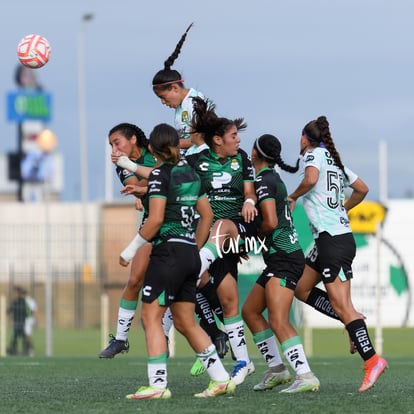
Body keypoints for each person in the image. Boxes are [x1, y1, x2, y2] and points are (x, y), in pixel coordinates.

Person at [119, 123, 235, 399]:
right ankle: (220, 378)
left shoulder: (160, 175)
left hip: (167, 254)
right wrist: (193, 246)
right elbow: (206, 215)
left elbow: (155, 219)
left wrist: (130, 250)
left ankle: (158, 385)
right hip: (189, 256)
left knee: (150, 317)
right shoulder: (191, 174)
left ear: (152, 149)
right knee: (185, 322)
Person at [288, 115, 388, 392]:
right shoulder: (335, 159)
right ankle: (353, 319)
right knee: (302, 288)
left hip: (335, 242)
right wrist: (343, 208)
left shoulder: (313, 155)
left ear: (305, 138)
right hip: (328, 240)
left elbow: (310, 179)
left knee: (343, 305)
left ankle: (373, 360)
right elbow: (363, 189)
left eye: (301, 137)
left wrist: (294, 196)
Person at [186, 96, 258, 385]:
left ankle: (195, 265)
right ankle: (244, 361)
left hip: (240, 227)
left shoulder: (241, 159)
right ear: (217, 140)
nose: (238, 140)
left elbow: (250, 190)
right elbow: (165, 179)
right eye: (233, 136)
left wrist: (250, 200)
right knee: (229, 303)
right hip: (216, 243)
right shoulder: (194, 161)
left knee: (223, 223)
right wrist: (141, 188)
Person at [242, 134, 320, 393]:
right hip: (278, 259)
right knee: (251, 311)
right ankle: (277, 369)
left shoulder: (264, 180)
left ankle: (306, 375)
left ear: (255, 153)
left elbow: (271, 222)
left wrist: (251, 239)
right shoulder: (269, 178)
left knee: (278, 320)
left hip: (285, 258)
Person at [99, 123, 159, 358]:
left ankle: (214, 334)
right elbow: (136, 187)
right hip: (153, 220)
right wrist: (141, 191)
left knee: (196, 282)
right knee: (135, 279)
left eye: (117, 142)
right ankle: (121, 339)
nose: (114, 149)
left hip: (178, 221)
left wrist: (144, 188)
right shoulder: (122, 167)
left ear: (133, 139)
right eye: (111, 145)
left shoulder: (156, 150)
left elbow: (167, 178)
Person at [152, 23, 205, 155]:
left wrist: (168, 144)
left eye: (163, 97)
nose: (163, 102)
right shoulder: (179, 108)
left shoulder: (196, 102)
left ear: (175, 88)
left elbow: (202, 139)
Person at [7, 286, 30, 355]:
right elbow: (28, 313)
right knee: (20, 336)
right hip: (22, 322)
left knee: (16, 336)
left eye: (15, 292)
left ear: (18, 293)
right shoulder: (24, 302)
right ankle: (25, 349)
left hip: (17, 322)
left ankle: (13, 349)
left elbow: (8, 311)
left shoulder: (16, 302)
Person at [23, 288, 37, 356]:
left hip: (27, 320)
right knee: (27, 335)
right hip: (30, 319)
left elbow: (34, 311)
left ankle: (30, 349)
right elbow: (35, 310)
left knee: (27, 335)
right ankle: (28, 348)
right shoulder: (31, 300)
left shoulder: (26, 300)